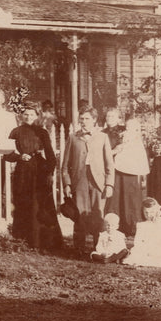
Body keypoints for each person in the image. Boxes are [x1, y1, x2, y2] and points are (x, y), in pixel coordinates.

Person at [6, 103, 61, 249]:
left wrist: (50, 173)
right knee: (23, 202)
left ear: (37, 116)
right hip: (23, 171)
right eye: (25, 114)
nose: (28, 117)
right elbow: (7, 154)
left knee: (39, 205)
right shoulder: (15, 132)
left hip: (39, 171)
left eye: (31, 114)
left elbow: (50, 155)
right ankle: (22, 240)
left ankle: (42, 241)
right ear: (21, 115)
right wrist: (19, 157)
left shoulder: (42, 132)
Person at [60, 107, 115, 253]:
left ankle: (98, 248)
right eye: (82, 119)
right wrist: (67, 184)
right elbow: (65, 166)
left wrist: (109, 184)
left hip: (98, 181)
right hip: (80, 180)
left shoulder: (102, 137)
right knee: (80, 214)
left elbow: (109, 163)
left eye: (87, 119)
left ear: (94, 120)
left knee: (98, 214)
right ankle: (79, 248)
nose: (84, 122)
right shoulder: (73, 137)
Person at [104, 110, 148, 238]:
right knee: (117, 198)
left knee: (131, 199)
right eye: (127, 127)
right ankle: (118, 225)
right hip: (118, 171)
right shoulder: (121, 135)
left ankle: (132, 225)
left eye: (132, 128)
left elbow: (140, 158)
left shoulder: (135, 140)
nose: (128, 129)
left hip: (131, 173)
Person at [124, 198, 161, 267]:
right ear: (142, 212)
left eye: (151, 212)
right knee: (137, 255)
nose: (148, 215)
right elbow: (138, 242)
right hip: (146, 248)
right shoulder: (141, 225)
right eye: (146, 212)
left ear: (156, 211)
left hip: (159, 247)